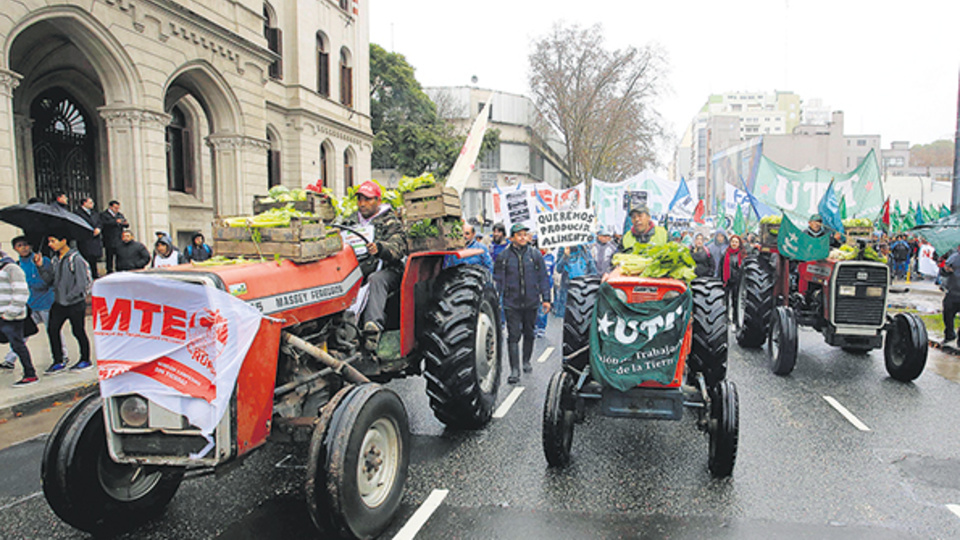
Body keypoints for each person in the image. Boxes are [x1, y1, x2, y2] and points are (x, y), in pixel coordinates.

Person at [340, 180, 407, 350]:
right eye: (360, 199)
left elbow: (398, 248)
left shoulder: (390, 221)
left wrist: (380, 249)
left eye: (368, 199)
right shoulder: (349, 221)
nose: (362, 204)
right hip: (356, 269)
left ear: (378, 201)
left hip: (387, 269)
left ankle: (372, 328)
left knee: (375, 279)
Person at [493, 224, 551, 384]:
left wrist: (546, 299)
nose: (523, 237)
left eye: (525, 234)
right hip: (511, 302)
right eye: (519, 235)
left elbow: (543, 277)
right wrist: (496, 300)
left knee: (529, 333)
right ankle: (514, 370)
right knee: (513, 336)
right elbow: (497, 280)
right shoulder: (503, 257)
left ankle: (526, 360)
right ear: (511, 238)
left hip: (531, 301)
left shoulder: (535, 255)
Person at [1, 237, 69, 372]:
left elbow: (50, 280)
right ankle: (10, 359)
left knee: (53, 331)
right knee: (22, 333)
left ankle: (63, 355)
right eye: (20, 245)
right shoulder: (17, 264)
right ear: (15, 248)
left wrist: (40, 267)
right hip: (30, 305)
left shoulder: (43, 260)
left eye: (26, 244)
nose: (24, 248)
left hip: (46, 303)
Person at [37, 233, 92, 373]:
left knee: (78, 331)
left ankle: (85, 359)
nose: (50, 244)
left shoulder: (76, 259)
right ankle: (58, 360)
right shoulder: (55, 259)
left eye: (53, 241)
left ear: (63, 241)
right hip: (58, 302)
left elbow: (83, 283)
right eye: (49, 241)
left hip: (74, 303)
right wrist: (41, 267)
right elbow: (50, 280)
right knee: (52, 330)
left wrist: (70, 297)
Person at [0, 243, 37, 387]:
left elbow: (22, 293)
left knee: (17, 345)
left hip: (11, 317)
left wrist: (9, 314)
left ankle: (30, 374)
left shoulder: (11, 268)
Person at [554, 243, 598, 318]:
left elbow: (593, 270)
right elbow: (559, 269)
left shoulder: (584, 249)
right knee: (566, 317)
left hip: (583, 287)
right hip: (567, 288)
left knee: (582, 316)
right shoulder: (563, 249)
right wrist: (565, 256)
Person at [74, 197, 103, 278]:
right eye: (90, 203)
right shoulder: (78, 213)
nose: (92, 204)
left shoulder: (94, 213)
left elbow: (100, 222)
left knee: (94, 258)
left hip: (95, 238)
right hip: (85, 238)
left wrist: (98, 228)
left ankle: (95, 273)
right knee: (86, 257)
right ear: (84, 203)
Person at [100, 200, 129, 274]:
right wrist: (115, 222)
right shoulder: (104, 215)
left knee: (119, 254)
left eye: (118, 208)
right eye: (115, 208)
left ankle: (119, 268)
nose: (117, 210)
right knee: (109, 255)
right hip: (109, 238)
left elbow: (125, 224)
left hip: (118, 238)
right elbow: (104, 224)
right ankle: (109, 269)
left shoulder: (119, 214)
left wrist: (125, 223)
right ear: (111, 207)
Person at [720, 235, 745, 319]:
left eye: (736, 242)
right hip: (727, 280)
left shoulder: (742, 254)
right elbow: (721, 267)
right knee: (726, 299)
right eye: (733, 242)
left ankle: (735, 317)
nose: (734, 244)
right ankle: (726, 317)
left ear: (739, 244)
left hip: (738, 280)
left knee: (736, 300)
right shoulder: (725, 253)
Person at [941, 244, 960, 346]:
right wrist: (945, 270)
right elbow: (944, 272)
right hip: (953, 292)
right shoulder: (953, 258)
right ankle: (949, 335)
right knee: (948, 314)